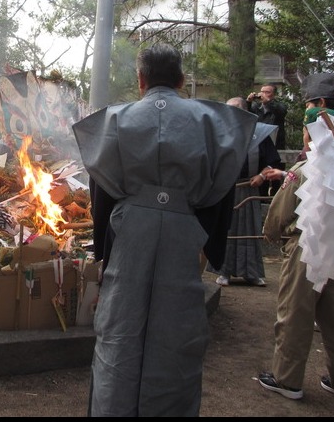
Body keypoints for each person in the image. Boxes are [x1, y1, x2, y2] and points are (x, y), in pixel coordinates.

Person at [72, 43, 256, 417]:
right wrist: (210, 242)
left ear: (140, 80)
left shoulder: (116, 120)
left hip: (131, 230)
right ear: (182, 80)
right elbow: (220, 187)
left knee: (120, 329)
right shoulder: (210, 122)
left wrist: (104, 247)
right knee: (177, 332)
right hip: (182, 228)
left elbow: (102, 189)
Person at [257, 98, 334, 404]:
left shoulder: (306, 169)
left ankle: (287, 379)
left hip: (307, 249)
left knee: (296, 312)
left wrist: (272, 234)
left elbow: (280, 212)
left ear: (312, 133)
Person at [208, 96, 281, 287]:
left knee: (251, 229)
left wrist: (263, 176)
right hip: (225, 189)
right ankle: (224, 271)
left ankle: (252, 272)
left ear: (244, 111)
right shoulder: (220, 133)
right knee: (226, 229)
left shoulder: (260, 133)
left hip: (249, 187)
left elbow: (273, 162)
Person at [246, 82, 288, 150]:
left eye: (267, 92)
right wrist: (248, 102)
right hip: (258, 140)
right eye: (262, 92)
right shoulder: (256, 107)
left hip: (274, 143)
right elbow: (247, 116)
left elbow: (280, 112)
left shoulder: (280, 106)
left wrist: (268, 102)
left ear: (274, 95)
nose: (263, 94)